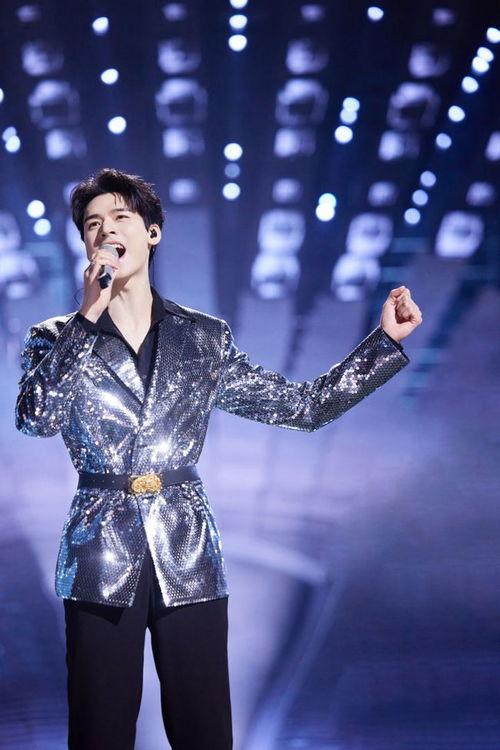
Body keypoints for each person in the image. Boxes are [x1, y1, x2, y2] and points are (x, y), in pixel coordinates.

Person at [15, 168, 422, 750]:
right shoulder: (56, 336)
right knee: (99, 728)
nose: (105, 231)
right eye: (92, 225)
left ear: (151, 232)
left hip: (188, 548)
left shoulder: (202, 338)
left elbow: (303, 407)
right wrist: (86, 317)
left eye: (120, 218)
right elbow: (36, 418)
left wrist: (382, 346)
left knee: (204, 728)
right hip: (99, 551)